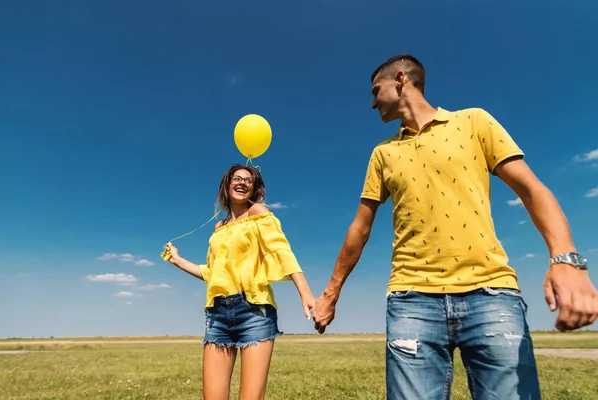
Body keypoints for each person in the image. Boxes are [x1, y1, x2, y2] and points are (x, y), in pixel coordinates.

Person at [311, 54, 598, 399]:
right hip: (411, 299)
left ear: (400, 79)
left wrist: (565, 259)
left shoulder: (474, 122)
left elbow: (531, 189)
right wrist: (330, 295)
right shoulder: (382, 153)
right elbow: (360, 228)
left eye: (376, 91)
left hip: (492, 295)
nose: (372, 104)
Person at [165, 164, 316, 400]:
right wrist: (178, 260)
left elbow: (281, 250)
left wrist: (305, 292)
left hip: (253, 312)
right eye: (237, 178)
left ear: (253, 189)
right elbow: (214, 273)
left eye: (248, 181)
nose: (242, 182)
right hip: (218, 315)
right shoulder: (218, 228)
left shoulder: (257, 212)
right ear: (227, 184)